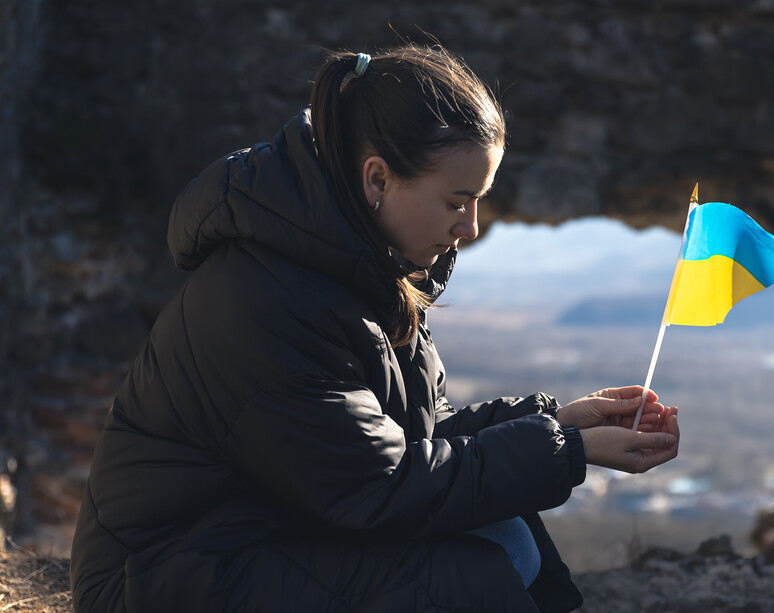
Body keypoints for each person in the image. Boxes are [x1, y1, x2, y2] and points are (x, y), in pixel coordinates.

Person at [69, 44, 680, 613]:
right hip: (158, 577)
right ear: (377, 179)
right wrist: (565, 451)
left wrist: (557, 423)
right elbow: (376, 489)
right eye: (455, 202)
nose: (469, 227)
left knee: (506, 532)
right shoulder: (267, 298)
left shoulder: (360, 268)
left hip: (261, 528)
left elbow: (407, 439)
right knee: (463, 579)